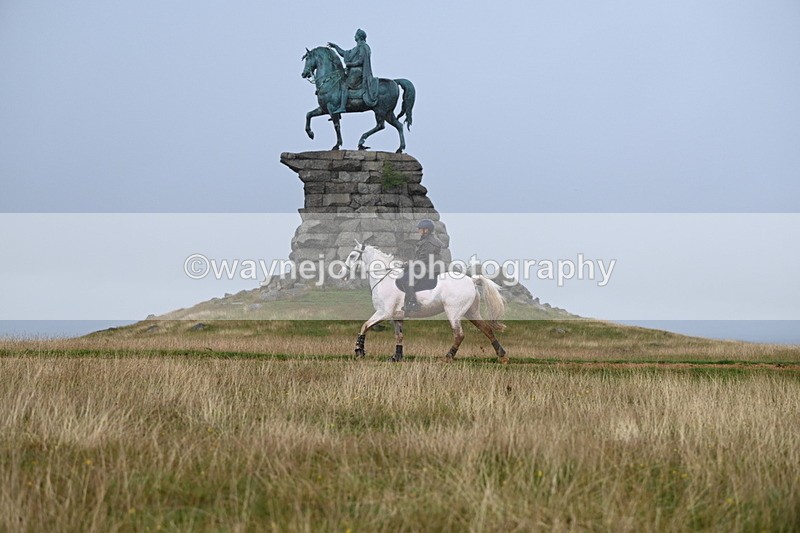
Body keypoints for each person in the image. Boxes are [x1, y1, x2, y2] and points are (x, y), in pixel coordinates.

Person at [327, 29, 379, 114]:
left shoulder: (363, 47)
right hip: (353, 71)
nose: (354, 36)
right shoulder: (356, 48)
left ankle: (343, 107)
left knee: (344, 85)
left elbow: (360, 60)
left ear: (359, 36)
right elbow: (344, 53)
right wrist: (335, 46)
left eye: (355, 35)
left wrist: (350, 64)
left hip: (358, 71)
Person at [402, 219, 445, 315]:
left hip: (427, 268)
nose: (418, 230)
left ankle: (413, 303)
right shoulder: (428, 240)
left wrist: (409, 264)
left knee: (405, 280)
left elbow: (423, 259)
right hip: (427, 265)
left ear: (426, 230)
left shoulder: (428, 242)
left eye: (420, 229)